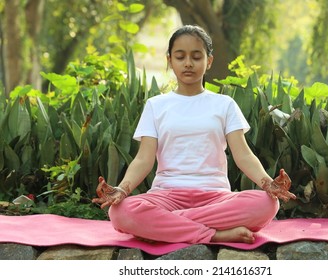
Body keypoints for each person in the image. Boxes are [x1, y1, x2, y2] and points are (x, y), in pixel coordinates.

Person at [92, 24, 296, 244]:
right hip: (166, 195)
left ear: (208, 61)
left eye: (196, 57)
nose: (188, 63)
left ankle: (165, 227)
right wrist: (122, 190)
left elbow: (243, 155)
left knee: (267, 204)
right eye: (180, 57)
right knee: (121, 212)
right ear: (170, 61)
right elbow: (143, 159)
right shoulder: (156, 105)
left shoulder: (224, 104)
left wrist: (267, 183)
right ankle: (212, 235)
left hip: (216, 197)